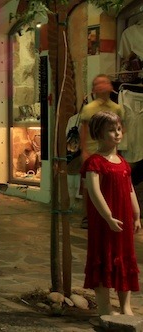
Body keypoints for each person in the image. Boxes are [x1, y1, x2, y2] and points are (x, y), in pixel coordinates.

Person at [81, 111, 141, 317]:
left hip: (123, 219)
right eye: (110, 130)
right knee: (103, 257)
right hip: (103, 221)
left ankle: (125, 306)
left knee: (124, 258)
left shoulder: (123, 162)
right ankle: (105, 308)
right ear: (99, 134)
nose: (117, 134)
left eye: (118, 129)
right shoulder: (94, 163)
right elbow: (94, 191)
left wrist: (136, 214)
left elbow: (130, 187)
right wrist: (107, 216)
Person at [79, 74, 124, 229]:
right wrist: (84, 151)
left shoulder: (116, 108)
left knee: (109, 185)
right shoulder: (89, 108)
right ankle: (87, 216)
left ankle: (109, 214)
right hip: (92, 152)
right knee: (89, 186)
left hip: (111, 153)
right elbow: (83, 130)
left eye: (105, 83)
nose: (102, 86)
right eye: (98, 83)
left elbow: (121, 128)